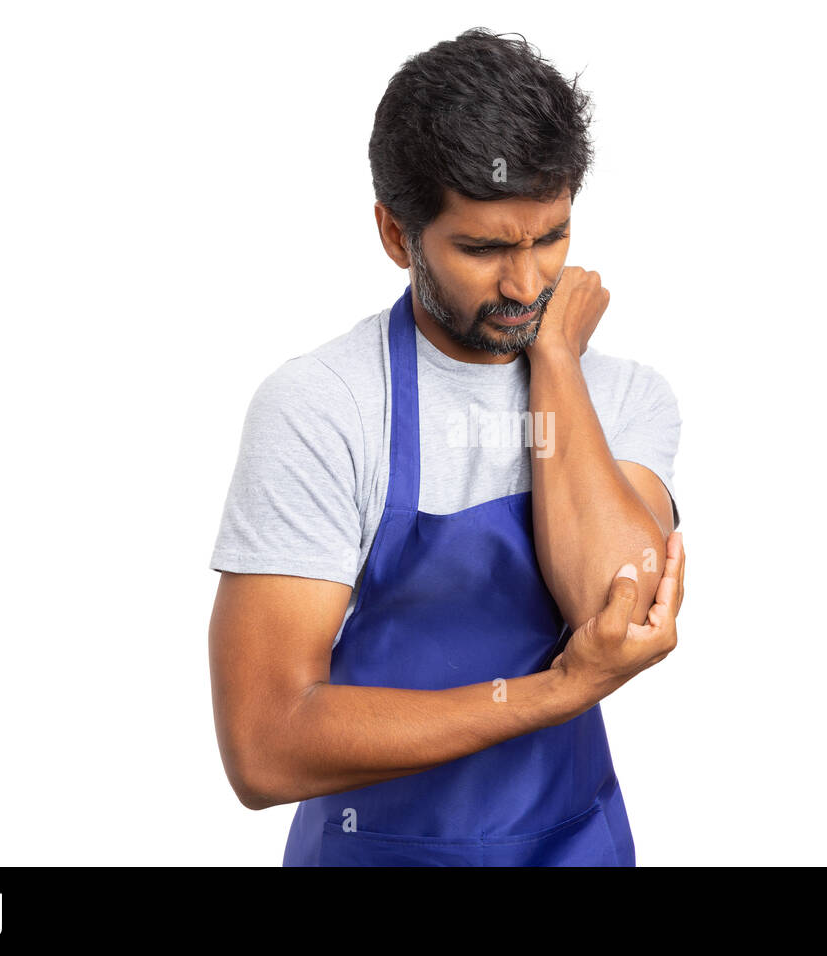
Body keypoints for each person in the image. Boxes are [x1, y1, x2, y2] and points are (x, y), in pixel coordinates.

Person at [207, 27, 686, 866]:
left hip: (576, 847)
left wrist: (557, 361)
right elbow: (265, 746)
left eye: (551, 238)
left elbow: (619, 609)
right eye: (484, 248)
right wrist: (556, 693)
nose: (527, 285)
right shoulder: (324, 409)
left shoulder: (622, 394)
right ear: (397, 236)